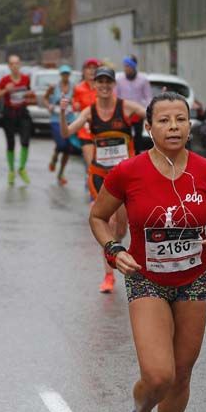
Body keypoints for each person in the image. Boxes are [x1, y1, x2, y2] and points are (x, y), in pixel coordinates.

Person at [89, 91, 206, 412]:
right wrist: (113, 251)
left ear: (190, 126)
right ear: (149, 127)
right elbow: (98, 217)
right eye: (165, 120)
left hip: (195, 279)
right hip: (146, 278)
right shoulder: (127, 172)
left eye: (181, 120)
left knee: (182, 373)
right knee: (159, 375)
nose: (173, 127)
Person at [61, 66, 146, 293]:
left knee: (121, 228)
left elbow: (151, 114)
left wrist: (163, 105)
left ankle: (117, 250)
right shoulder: (90, 112)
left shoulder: (125, 108)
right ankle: (108, 276)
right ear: (95, 85)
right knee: (106, 225)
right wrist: (62, 114)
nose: (105, 86)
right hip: (101, 176)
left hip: (126, 176)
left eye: (108, 82)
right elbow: (67, 133)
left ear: (113, 85)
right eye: (100, 82)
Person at [0, 54, 36, 186]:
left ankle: (21, 168)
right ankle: (11, 170)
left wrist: (29, 96)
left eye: (17, 63)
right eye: (12, 64)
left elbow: (30, 96)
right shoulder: (5, 80)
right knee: (10, 143)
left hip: (22, 113)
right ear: (9, 66)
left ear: (20, 64)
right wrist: (6, 90)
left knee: (25, 140)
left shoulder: (26, 79)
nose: (15, 66)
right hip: (9, 113)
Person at [42, 64, 78, 186]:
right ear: (60, 75)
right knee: (61, 144)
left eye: (67, 74)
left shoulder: (74, 87)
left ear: (69, 75)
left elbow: (78, 101)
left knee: (68, 148)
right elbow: (45, 98)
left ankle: (61, 173)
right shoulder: (54, 87)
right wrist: (49, 106)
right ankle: (54, 157)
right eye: (63, 74)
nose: (65, 76)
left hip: (70, 119)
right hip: (56, 119)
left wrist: (75, 105)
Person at [116, 55, 153, 152]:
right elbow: (116, 96)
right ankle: (125, 156)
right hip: (124, 113)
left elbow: (148, 96)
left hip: (138, 113)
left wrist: (146, 110)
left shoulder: (143, 79)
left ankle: (137, 156)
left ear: (133, 66)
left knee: (138, 137)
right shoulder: (119, 80)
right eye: (125, 66)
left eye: (128, 66)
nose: (126, 68)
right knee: (124, 135)